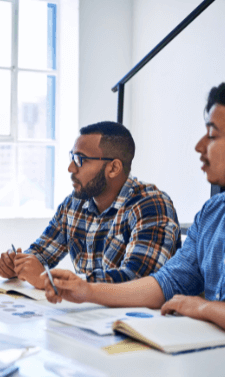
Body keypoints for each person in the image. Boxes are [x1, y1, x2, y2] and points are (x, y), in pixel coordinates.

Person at [42, 83, 225, 331]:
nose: (199, 146)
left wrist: (206, 307)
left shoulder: (151, 203)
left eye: (212, 136)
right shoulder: (212, 214)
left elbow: (141, 275)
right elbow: (166, 283)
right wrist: (86, 290)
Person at [0, 121, 181, 288]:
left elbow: (138, 282)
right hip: (87, 315)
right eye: (72, 157)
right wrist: (17, 264)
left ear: (114, 168)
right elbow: (41, 253)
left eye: (80, 159)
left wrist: (50, 280)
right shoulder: (74, 204)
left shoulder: (151, 205)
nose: (71, 168)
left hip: (135, 322)